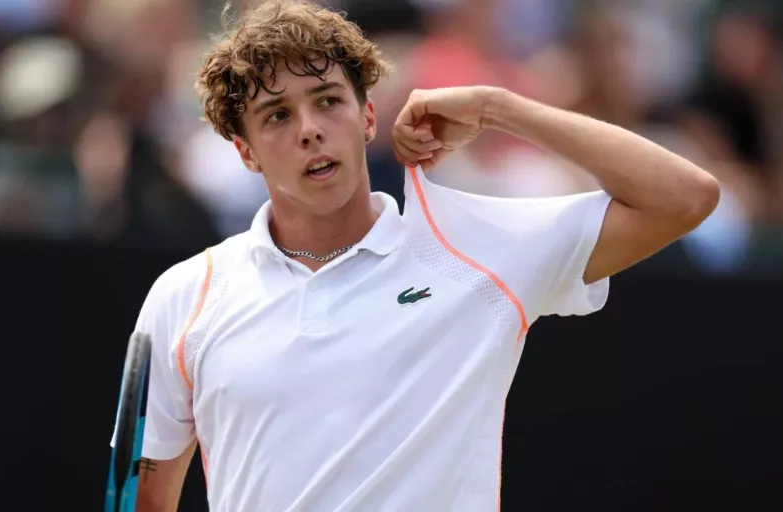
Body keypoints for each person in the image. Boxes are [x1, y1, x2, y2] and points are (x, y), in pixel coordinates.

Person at [123, 1, 720, 510]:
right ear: (246, 152)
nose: (309, 129)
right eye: (277, 115)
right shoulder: (185, 296)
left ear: (368, 117)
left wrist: (497, 107)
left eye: (328, 101)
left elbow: (686, 198)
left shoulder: (476, 250)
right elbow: (144, 499)